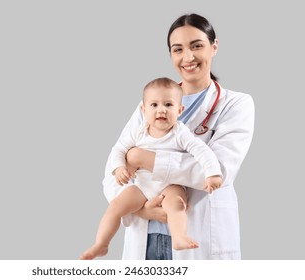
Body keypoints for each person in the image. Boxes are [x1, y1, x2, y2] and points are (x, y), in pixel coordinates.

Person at [102, 13, 255, 260]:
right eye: (178, 49)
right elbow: (113, 170)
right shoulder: (152, 102)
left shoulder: (236, 104)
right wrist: (139, 209)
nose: (188, 57)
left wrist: (141, 157)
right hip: (147, 239)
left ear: (214, 46)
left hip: (199, 239)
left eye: (197, 46)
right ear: (171, 55)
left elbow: (219, 171)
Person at [80, 77, 222, 260]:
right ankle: (101, 244)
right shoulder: (139, 131)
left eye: (168, 105)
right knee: (116, 205)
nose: (161, 109)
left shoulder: (180, 133)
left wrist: (212, 173)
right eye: (154, 105)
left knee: (177, 204)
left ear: (179, 110)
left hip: (170, 185)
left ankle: (178, 237)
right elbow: (118, 150)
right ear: (143, 110)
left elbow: (202, 150)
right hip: (143, 186)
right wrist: (119, 168)